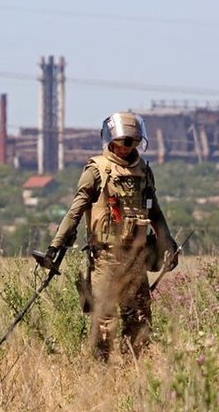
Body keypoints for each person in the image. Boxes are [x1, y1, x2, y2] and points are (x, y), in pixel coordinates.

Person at [46, 111, 178, 361]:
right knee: (105, 320)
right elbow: (75, 211)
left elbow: (156, 212)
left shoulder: (144, 172)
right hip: (105, 258)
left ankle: (133, 373)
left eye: (134, 142)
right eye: (124, 141)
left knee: (139, 320)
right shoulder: (96, 170)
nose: (128, 147)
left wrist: (167, 244)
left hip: (136, 257)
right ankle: (100, 375)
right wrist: (55, 247)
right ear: (111, 140)